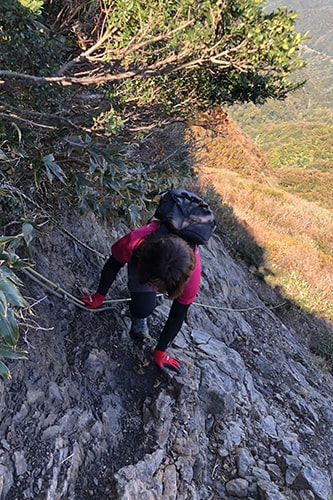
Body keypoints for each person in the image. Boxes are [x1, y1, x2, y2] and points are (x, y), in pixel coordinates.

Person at [79, 218, 201, 374]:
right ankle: (140, 313)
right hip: (149, 255)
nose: (154, 288)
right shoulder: (135, 242)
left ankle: (141, 312)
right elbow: (114, 263)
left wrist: (160, 352)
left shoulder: (190, 277)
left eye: (158, 287)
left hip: (163, 264)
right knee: (142, 308)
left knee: (143, 305)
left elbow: (178, 315)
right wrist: (98, 296)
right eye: (152, 283)